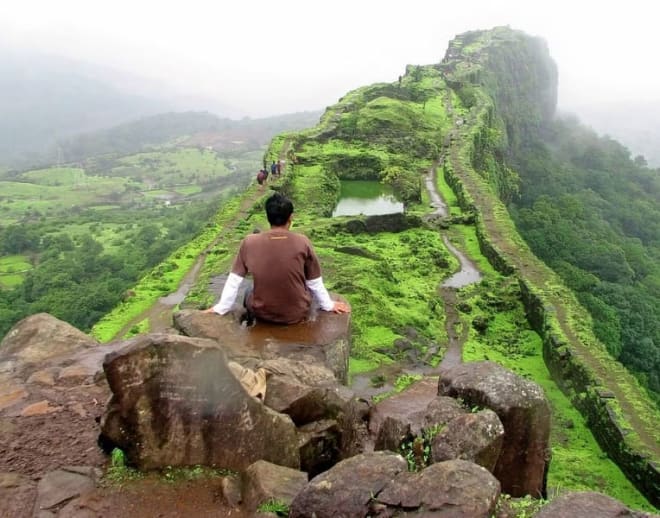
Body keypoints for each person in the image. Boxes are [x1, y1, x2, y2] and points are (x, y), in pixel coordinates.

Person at [205, 193, 350, 324]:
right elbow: (314, 282)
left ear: (268, 216)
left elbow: (234, 279)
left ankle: (251, 322)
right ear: (291, 217)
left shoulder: (249, 242)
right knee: (306, 289)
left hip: (262, 314)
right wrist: (328, 305)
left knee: (249, 289)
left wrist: (221, 308)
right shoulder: (303, 241)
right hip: (296, 314)